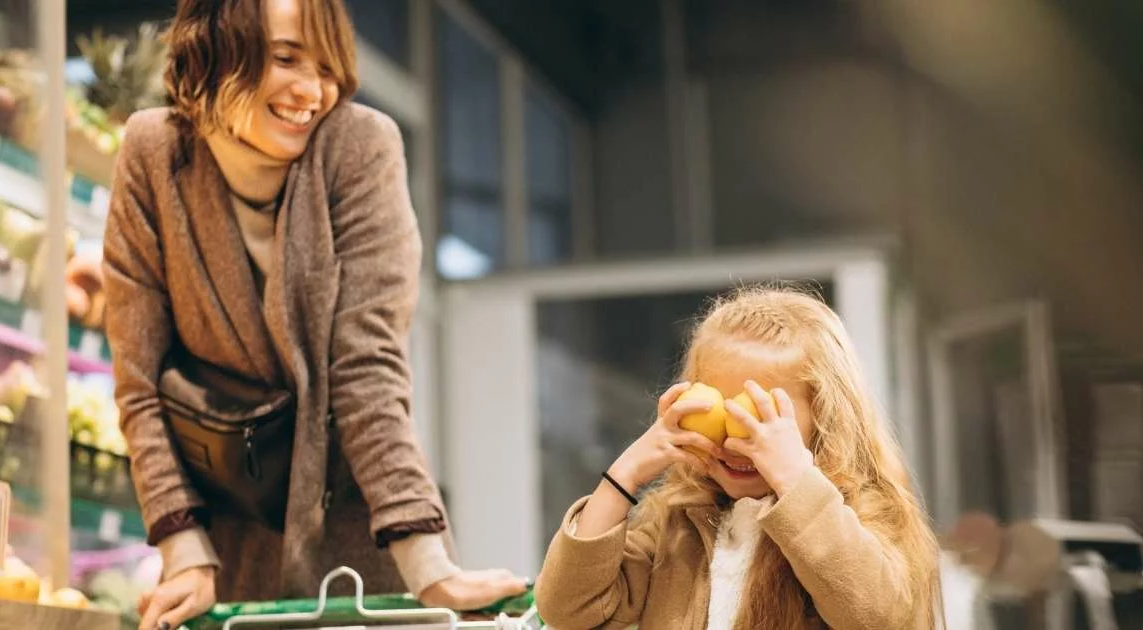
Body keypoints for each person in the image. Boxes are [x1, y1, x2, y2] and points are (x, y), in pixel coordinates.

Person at [102, 1, 526, 628]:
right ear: (216, 45)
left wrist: (430, 564)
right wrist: (184, 549)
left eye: (328, 66)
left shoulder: (359, 146)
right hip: (228, 544)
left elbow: (367, 368)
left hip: (365, 536)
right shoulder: (154, 152)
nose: (313, 91)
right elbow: (139, 382)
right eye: (285, 57)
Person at [534, 287, 940, 629]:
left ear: (826, 420)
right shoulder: (677, 522)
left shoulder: (864, 515)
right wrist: (624, 476)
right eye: (719, 415)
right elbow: (568, 609)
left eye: (761, 420)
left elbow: (876, 617)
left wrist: (796, 483)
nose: (736, 441)